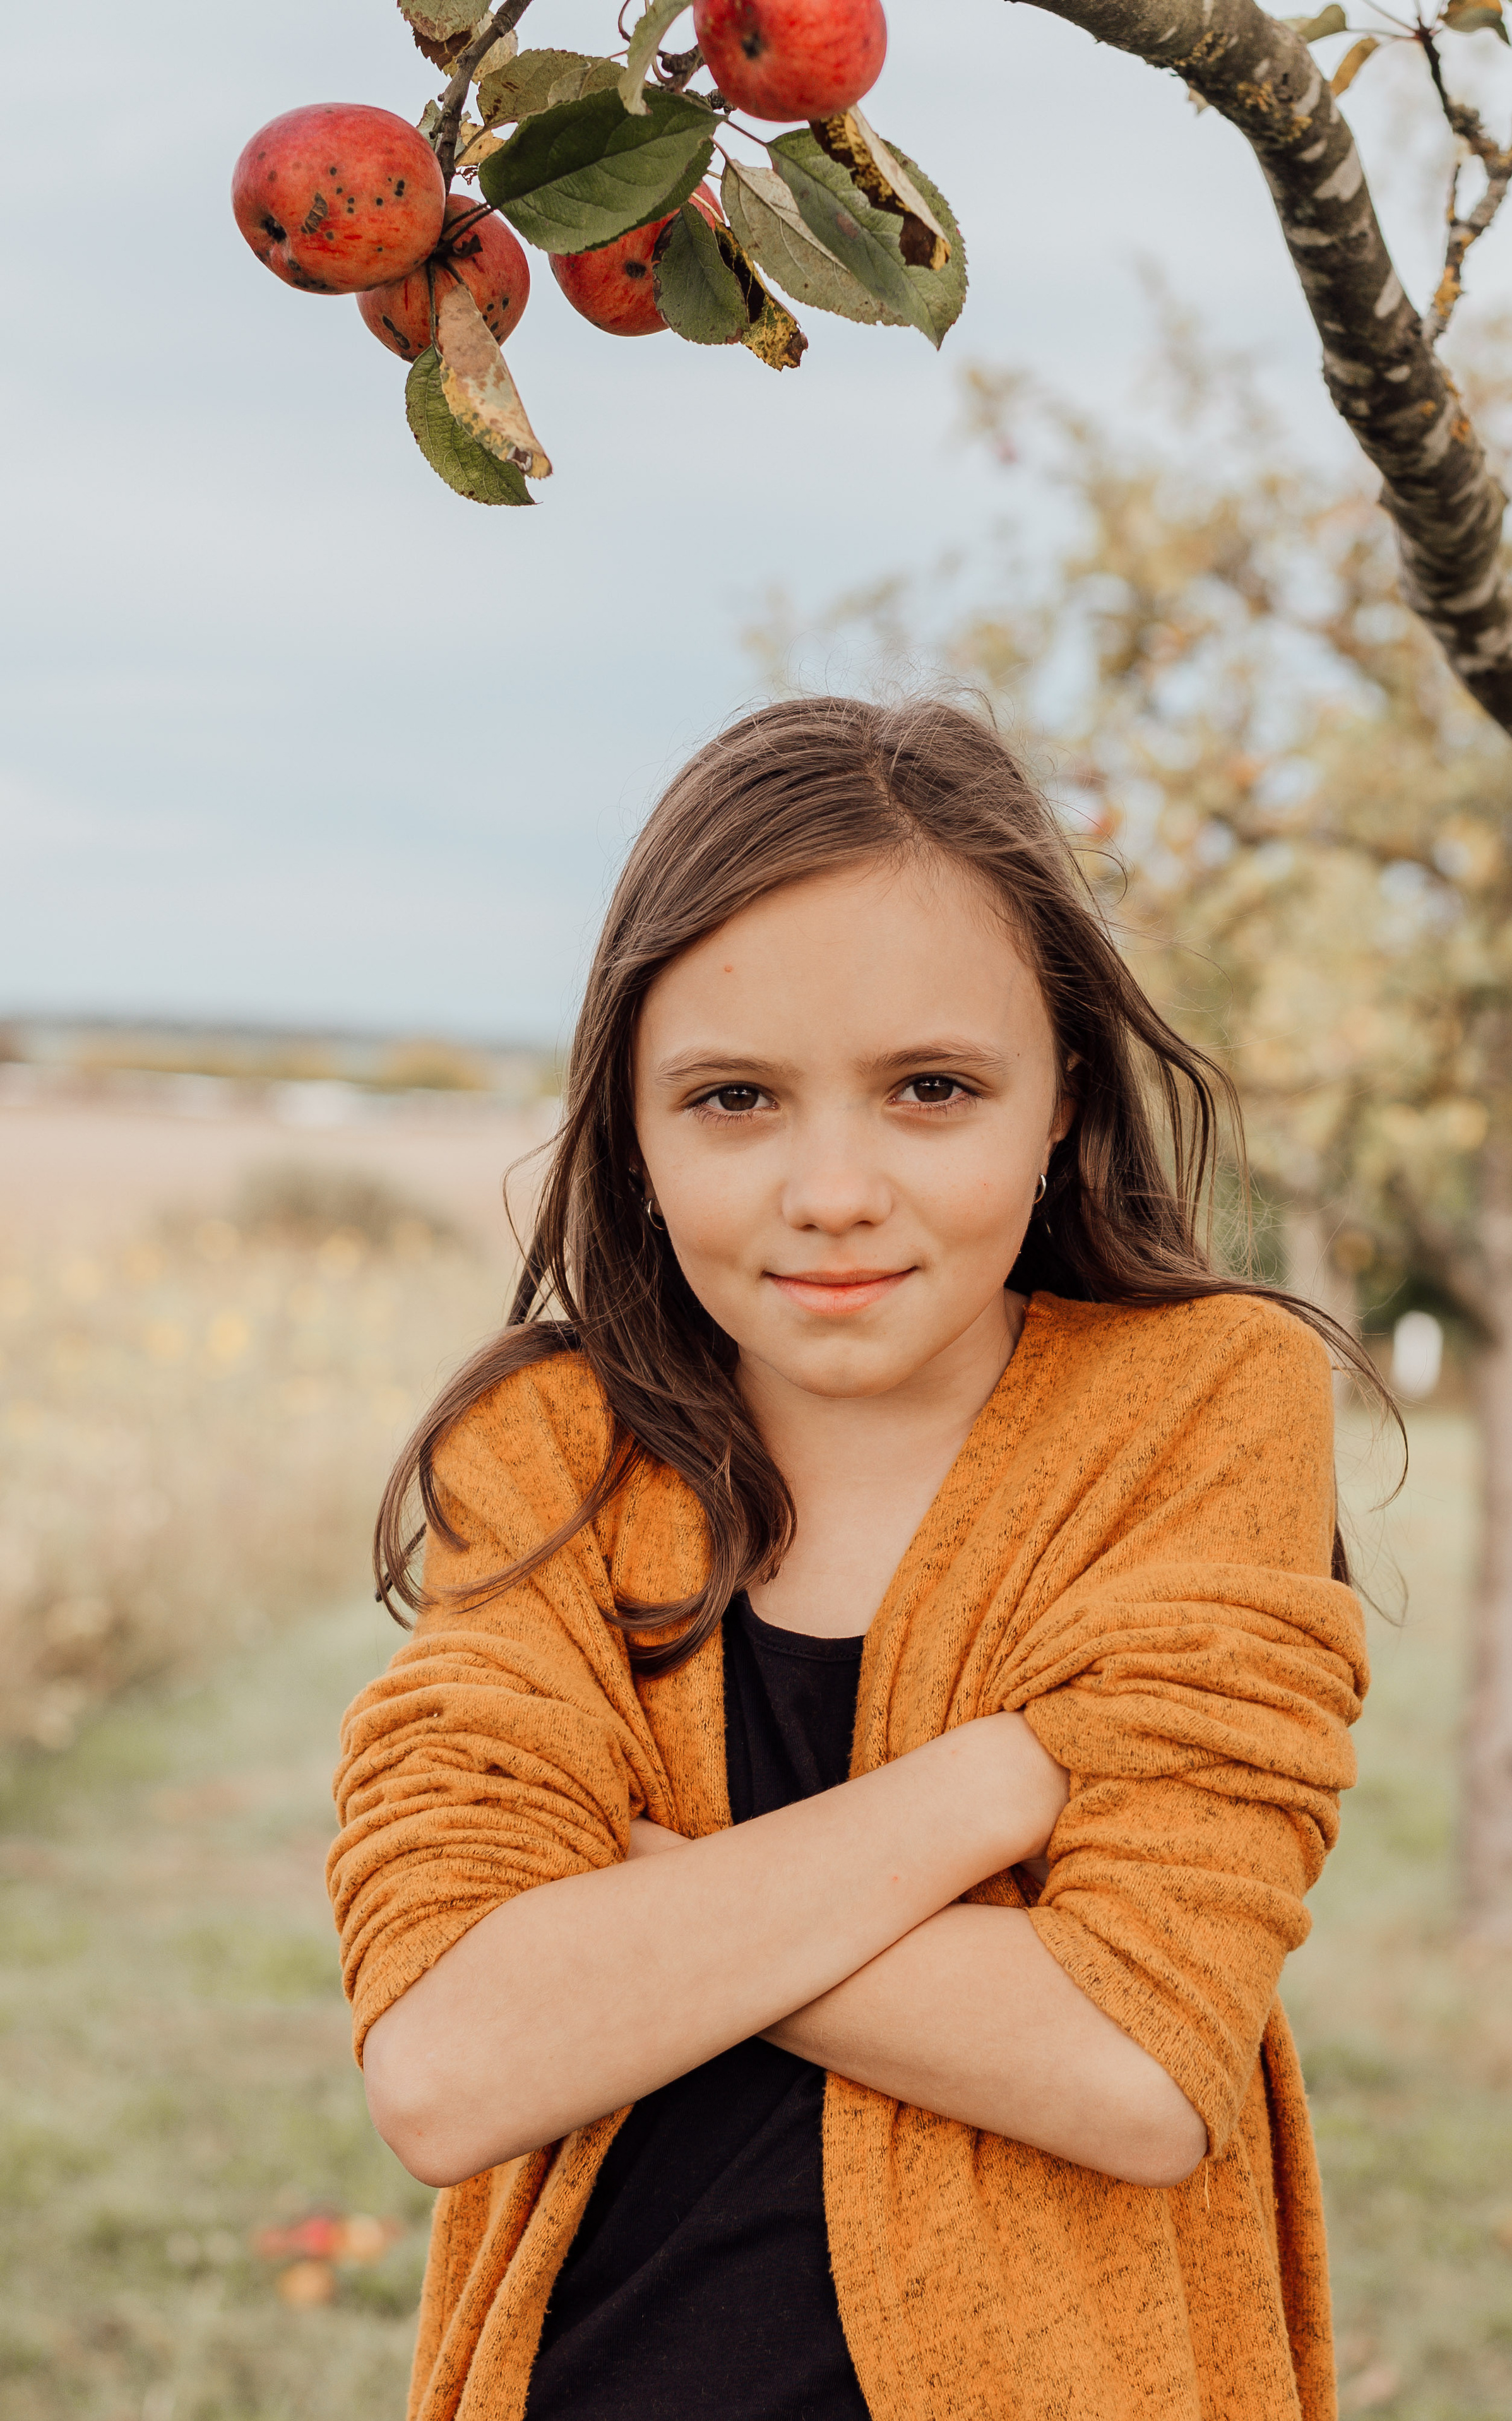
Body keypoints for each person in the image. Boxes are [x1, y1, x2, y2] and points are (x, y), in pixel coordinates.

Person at [329, 695, 1374, 2421]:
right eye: (734, 1096)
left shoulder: (1206, 1404)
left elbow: (1136, 2060)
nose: (833, 1186)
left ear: (1058, 1102)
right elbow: (450, 2062)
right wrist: (997, 1780)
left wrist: (649, 1906)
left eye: (931, 1089)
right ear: (636, 1129)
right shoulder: (545, 1456)